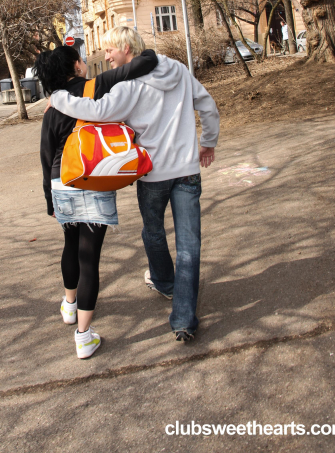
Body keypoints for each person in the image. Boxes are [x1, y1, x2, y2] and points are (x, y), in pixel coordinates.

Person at [50, 26, 220, 344]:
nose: (107, 56)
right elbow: (208, 106)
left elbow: (97, 111)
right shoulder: (178, 69)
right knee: (189, 245)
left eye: (110, 49)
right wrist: (208, 142)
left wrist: (58, 97)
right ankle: (183, 319)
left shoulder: (131, 83)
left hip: (153, 175)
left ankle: (164, 282)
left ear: (127, 48)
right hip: (186, 171)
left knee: (153, 233)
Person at [33, 38, 158, 359]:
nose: (85, 63)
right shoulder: (97, 85)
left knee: (69, 246)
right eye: (81, 60)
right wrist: (147, 51)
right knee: (90, 259)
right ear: (75, 65)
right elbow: (145, 63)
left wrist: (50, 201)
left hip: (62, 182)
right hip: (95, 178)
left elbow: (46, 158)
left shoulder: (53, 107)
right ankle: (83, 336)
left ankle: (69, 305)